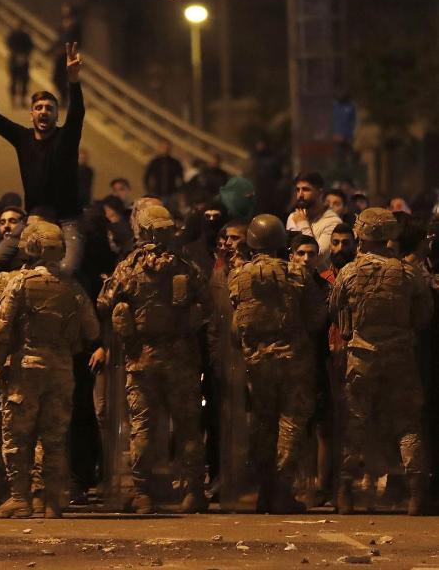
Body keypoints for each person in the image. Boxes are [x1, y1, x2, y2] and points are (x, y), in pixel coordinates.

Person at [97, 205, 211, 514]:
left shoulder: (128, 267)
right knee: (187, 427)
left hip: (141, 358)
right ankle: (193, 492)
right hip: (182, 357)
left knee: (143, 427)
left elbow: (105, 302)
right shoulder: (186, 266)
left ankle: (143, 494)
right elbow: (208, 302)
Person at [0, 222, 99, 519]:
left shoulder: (20, 282)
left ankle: (19, 498)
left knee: (17, 435)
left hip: (26, 367)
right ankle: (49, 501)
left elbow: (0, 330)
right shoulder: (72, 286)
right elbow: (92, 329)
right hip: (61, 369)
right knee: (53, 436)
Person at [329, 208, 434, 515]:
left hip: (361, 356)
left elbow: (336, 310)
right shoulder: (407, 273)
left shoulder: (348, 272)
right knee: (408, 424)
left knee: (355, 423)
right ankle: (416, 496)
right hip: (401, 356)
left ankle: (345, 493)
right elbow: (424, 316)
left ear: (361, 235)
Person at [229, 215, 326, 513]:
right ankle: (282, 491)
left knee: (262, 423)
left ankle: (264, 491)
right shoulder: (297, 274)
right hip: (294, 359)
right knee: (291, 423)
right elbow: (316, 318)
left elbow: (235, 325)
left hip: (256, 362)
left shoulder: (239, 276)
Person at [0, 44, 86, 273]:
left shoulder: (66, 138)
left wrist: (73, 80)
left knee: (66, 270)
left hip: (67, 219)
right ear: (31, 114)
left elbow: (78, 113)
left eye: (49, 108)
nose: (43, 111)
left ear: (57, 115)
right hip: (33, 217)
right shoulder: (23, 138)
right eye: (38, 107)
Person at [285, 172, 342, 271]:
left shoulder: (333, 222)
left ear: (320, 192)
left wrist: (303, 224)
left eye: (306, 189)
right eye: (298, 190)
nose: (300, 195)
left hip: (320, 282)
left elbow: (317, 257)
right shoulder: (293, 217)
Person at [5, 21, 34, 107]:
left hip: (15, 59)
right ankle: (20, 100)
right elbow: (31, 47)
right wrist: (25, 55)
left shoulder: (13, 35)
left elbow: (9, 44)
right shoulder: (25, 36)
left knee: (16, 80)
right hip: (22, 59)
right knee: (22, 80)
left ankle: (15, 100)